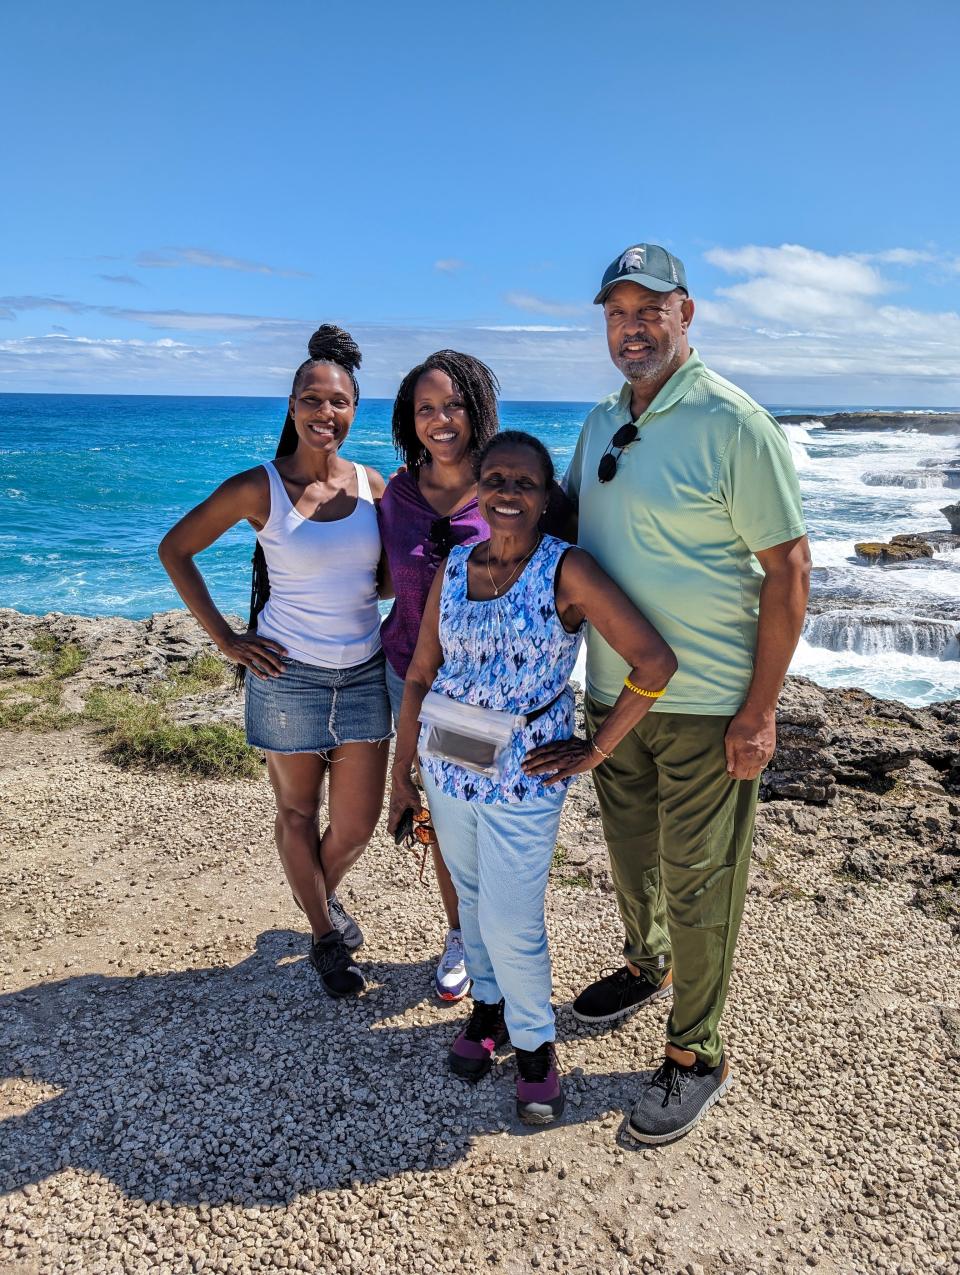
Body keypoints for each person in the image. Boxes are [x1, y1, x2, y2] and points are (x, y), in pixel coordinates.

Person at [564, 244, 811, 1144]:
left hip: (709, 705)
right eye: (616, 312)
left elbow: (788, 565)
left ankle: (696, 1051)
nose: (631, 327)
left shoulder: (734, 422)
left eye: (648, 309)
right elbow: (562, 536)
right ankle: (646, 962)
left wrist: (761, 708)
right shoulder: (597, 424)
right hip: (612, 696)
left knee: (704, 881)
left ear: (686, 314)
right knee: (631, 859)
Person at [387, 431, 676, 1125]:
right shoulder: (455, 565)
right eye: (495, 480)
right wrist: (403, 771)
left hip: (525, 777)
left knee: (513, 918)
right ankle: (489, 1009)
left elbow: (654, 662)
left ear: (547, 498)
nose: (508, 493)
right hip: (449, 765)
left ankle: (536, 1044)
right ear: (478, 490)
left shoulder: (566, 570)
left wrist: (597, 748)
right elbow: (422, 672)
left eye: (524, 482)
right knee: (476, 904)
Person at [158, 325, 391, 1000]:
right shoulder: (259, 487)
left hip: (364, 673)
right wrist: (228, 641)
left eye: (339, 401)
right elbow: (176, 550)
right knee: (296, 811)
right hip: (286, 676)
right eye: (311, 399)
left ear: (354, 409)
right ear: (292, 406)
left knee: (356, 823)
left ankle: (318, 898)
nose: (326, 413)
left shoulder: (373, 485)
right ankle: (324, 935)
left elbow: (376, 580)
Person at [380, 351, 499, 1001]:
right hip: (407, 675)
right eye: (425, 408)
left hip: (480, 692)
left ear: (476, 408)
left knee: (486, 822)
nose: (440, 419)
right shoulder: (395, 493)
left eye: (453, 404)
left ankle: (499, 939)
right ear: (409, 420)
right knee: (440, 818)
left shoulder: (508, 481)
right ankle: (460, 934)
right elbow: (370, 570)